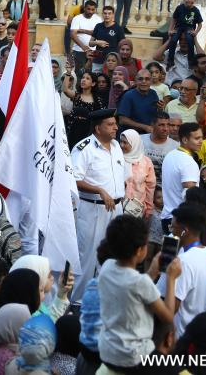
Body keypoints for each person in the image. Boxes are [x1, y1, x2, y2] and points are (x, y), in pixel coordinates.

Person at [97, 215, 176, 371]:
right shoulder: (141, 283)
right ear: (140, 250)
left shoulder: (107, 267)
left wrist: (152, 272)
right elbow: (168, 316)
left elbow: (132, 288)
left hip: (108, 351)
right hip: (133, 358)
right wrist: (171, 278)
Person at [71, 109, 127, 300]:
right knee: (88, 257)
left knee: (113, 255)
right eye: (110, 124)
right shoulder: (84, 148)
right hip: (93, 208)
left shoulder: (116, 146)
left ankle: (105, 300)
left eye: (115, 123)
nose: (115, 127)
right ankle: (78, 302)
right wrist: (99, 190)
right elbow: (74, 179)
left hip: (116, 208)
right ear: (97, 128)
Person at [159, 203, 206, 337]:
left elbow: (170, 310)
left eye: (173, 227)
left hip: (181, 336)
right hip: (199, 333)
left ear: (184, 231)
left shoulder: (183, 262)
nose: (171, 232)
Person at [161, 122, 202, 234]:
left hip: (167, 216)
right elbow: (190, 195)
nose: (201, 141)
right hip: (181, 220)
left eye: (201, 137)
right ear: (184, 140)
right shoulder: (188, 162)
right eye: (197, 138)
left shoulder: (170, 155)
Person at [166, 0, 203, 68]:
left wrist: (196, 32)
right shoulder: (179, 8)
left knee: (190, 40)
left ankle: (191, 61)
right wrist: (170, 30)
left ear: (195, 0)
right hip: (179, 27)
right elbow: (174, 19)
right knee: (173, 40)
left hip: (189, 28)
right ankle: (170, 61)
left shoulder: (196, 11)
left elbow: (200, 24)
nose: (189, 0)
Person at [118, 68, 161, 134]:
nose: (144, 81)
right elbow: (122, 120)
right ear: (136, 81)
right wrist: (145, 127)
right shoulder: (128, 95)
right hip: (131, 134)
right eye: (140, 79)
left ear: (151, 81)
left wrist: (160, 108)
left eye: (147, 79)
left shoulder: (153, 93)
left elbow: (156, 114)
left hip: (150, 134)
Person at [69, 1, 102, 77]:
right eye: (88, 9)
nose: (90, 11)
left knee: (93, 75)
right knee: (80, 74)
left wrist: (82, 30)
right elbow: (73, 34)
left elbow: (99, 33)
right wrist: (84, 47)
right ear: (84, 8)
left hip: (94, 51)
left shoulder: (98, 19)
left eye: (93, 9)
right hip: (79, 51)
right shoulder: (77, 18)